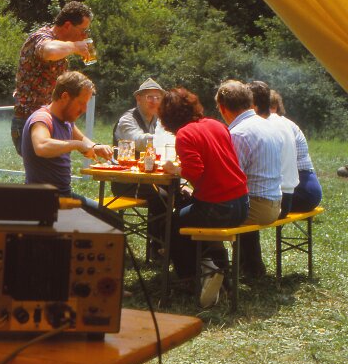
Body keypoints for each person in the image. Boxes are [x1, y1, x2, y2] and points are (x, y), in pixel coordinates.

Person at [159, 87, 249, 307]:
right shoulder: (217, 125)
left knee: (173, 224)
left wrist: (174, 169)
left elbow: (195, 171)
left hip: (218, 208)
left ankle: (193, 279)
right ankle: (214, 270)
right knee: (189, 214)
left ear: (168, 117)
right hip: (241, 204)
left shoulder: (185, 134)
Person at [21, 71, 122, 227]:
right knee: (111, 225)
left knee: (113, 221)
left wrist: (96, 147)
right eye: (81, 103)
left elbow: (82, 140)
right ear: (65, 97)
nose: (85, 109)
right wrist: (77, 146)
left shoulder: (66, 122)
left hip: (63, 195)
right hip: (43, 201)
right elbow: (41, 146)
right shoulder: (42, 119)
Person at [216, 79, 284, 278]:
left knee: (202, 211)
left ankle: (213, 269)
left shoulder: (238, 133)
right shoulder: (268, 125)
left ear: (222, 108)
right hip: (274, 202)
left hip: (257, 206)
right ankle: (251, 267)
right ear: (249, 102)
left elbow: (230, 179)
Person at [11, 1, 95, 155]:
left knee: (56, 173)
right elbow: (48, 50)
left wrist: (91, 146)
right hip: (30, 121)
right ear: (68, 25)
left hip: (47, 121)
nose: (85, 36)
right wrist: (75, 46)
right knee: (46, 174)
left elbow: (57, 106)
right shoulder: (41, 37)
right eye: (83, 30)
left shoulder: (62, 51)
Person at [111, 78, 169, 249]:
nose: (155, 102)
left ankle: (163, 245)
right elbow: (139, 141)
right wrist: (169, 138)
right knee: (164, 198)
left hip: (149, 179)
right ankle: (158, 247)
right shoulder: (127, 120)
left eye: (158, 98)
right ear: (138, 99)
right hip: (126, 181)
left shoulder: (158, 120)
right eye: (150, 97)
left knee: (179, 195)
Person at [250, 81, 298, 219]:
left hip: (277, 200)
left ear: (253, 104)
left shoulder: (262, 125)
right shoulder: (282, 122)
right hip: (287, 196)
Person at [271, 90, 323, 213]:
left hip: (302, 191)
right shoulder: (287, 123)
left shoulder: (278, 125)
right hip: (308, 189)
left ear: (274, 107)